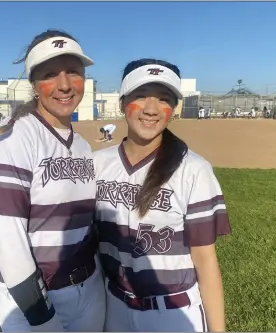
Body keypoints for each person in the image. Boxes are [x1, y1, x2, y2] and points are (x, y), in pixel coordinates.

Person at [0, 29, 105, 332]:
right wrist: (42, 317)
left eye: (73, 72)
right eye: (50, 74)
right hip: (32, 303)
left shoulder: (82, 146)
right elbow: (8, 244)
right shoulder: (11, 138)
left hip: (89, 290)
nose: (64, 85)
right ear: (34, 85)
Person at [94, 58, 232, 332]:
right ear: (122, 103)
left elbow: (205, 261)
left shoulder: (194, 170)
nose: (151, 108)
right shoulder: (97, 164)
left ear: (174, 108)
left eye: (164, 98)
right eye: (141, 95)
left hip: (172, 313)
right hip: (113, 309)